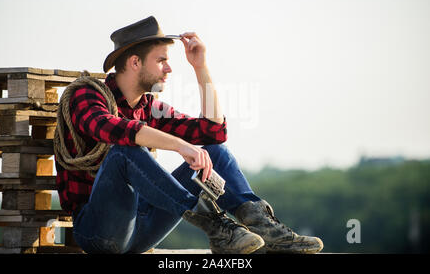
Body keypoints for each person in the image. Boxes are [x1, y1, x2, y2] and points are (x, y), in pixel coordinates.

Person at [55, 16, 324, 254]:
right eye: (161, 61)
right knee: (125, 151)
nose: (169, 69)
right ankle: (213, 222)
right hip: (99, 232)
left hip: (143, 229)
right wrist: (182, 147)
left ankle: (265, 228)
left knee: (214, 151)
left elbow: (214, 131)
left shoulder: (149, 108)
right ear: (135, 62)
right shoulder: (87, 95)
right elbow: (112, 128)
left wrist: (200, 67)